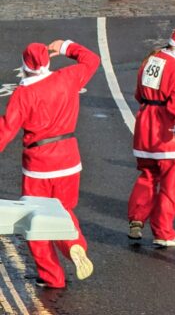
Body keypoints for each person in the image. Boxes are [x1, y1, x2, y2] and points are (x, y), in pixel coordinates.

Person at [0, 38, 100, 289]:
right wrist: (65, 46)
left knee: (35, 220)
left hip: (39, 164)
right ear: (47, 62)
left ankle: (52, 276)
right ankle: (76, 245)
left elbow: (6, 130)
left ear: (24, 66)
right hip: (69, 158)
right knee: (64, 211)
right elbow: (92, 60)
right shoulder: (67, 77)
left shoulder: (23, 94)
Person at [128, 25, 175, 247]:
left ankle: (137, 219)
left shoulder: (150, 60)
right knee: (169, 183)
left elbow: (139, 94)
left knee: (147, 175)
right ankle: (163, 231)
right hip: (166, 130)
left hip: (144, 125)